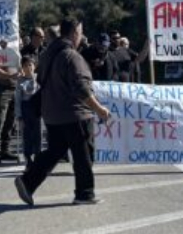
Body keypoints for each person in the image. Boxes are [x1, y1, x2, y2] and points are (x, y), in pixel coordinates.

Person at [15, 17, 112, 206]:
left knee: (55, 151)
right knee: (83, 154)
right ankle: (84, 194)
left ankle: (28, 182)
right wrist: (99, 109)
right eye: (80, 32)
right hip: (75, 114)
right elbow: (81, 87)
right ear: (74, 33)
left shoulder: (48, 54)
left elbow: (41, 80)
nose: (81, 37)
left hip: (52, 114)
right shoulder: (71, 56)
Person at [0, 44, 19, 165]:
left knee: (10, 121)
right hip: (1, 88)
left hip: (15, 87)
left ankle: (5, 149)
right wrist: (9, 76)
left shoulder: (15, 48)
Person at [15, 55, 42, 166]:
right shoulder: (20, 81)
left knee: (38, 133)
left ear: (34, 66)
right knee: (27, 134)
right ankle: (28, 156)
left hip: (37, 109)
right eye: (25, 65)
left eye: (30, 65)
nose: (28, 68)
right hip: (26, 108)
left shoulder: (39, 79)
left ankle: (38, 155)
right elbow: (18, 99)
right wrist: (19, 115)